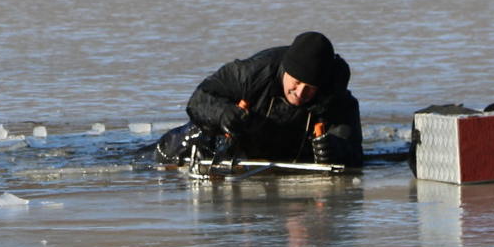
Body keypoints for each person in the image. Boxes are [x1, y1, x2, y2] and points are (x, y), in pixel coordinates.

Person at [155, 31, 363, 167]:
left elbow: (354, 150)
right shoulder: (250, 73)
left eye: (309, 88)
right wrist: (223, 113)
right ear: (285, 70)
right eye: (296, 83)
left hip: (287, 149)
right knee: (190, 136)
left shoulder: (335, 92)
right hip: (226, 138)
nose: (300, 93)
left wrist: (334, 148)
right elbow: (198, 101)